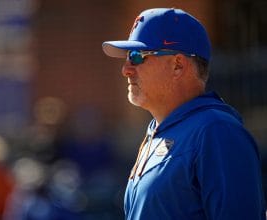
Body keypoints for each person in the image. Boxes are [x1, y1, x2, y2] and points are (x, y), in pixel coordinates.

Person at [102, 8, 266, 220]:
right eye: (127, 57)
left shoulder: (216, 130)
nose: (126, 69)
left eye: (137, 56)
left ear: (178, 65)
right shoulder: (158, 130)